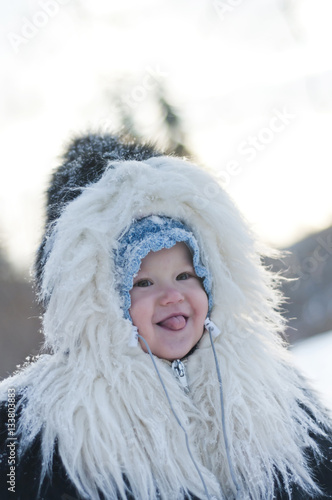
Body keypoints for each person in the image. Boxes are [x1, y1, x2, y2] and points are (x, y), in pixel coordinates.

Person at [0, 132, 331, 500]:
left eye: (185, 275)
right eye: (142, 282)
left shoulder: (279, 395)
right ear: (98, 302)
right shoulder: (30, 425)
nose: (172, 295)